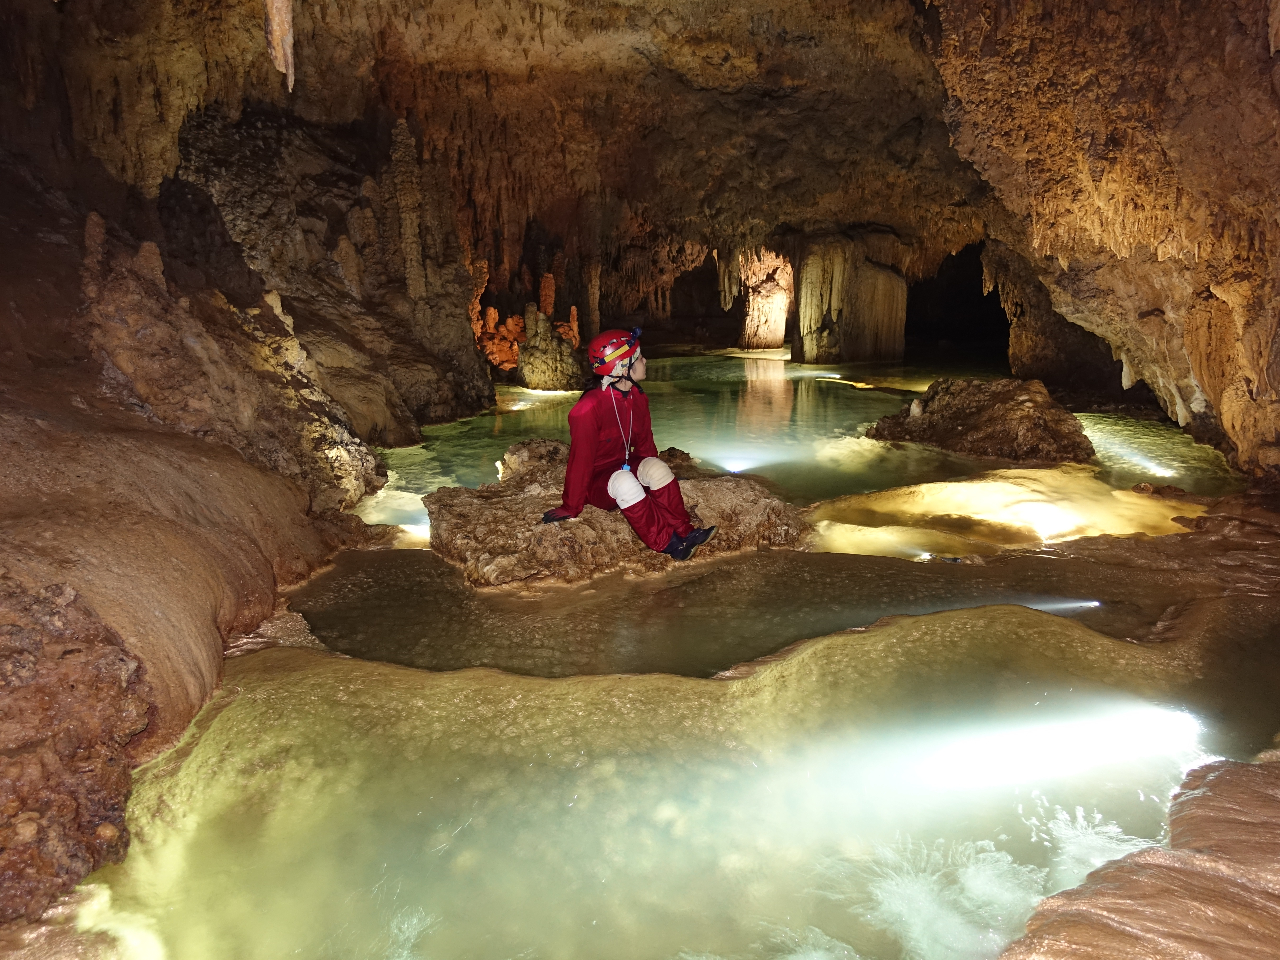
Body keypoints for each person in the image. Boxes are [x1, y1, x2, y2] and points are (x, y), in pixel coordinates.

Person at [540, 328, 716, 561]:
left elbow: (645, 444)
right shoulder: (588, 409)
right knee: (624, 482)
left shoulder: (637, 396)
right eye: (639, 357)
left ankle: (686, 531)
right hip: (598, 482)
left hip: (623, 464)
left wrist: (656, 484)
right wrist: (571, 506)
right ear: (622, 368)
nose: (645, 361)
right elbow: (580, 461)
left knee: (656, 467)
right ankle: (668, 543)